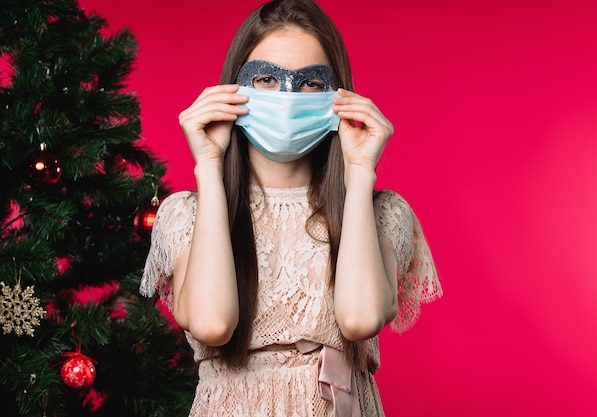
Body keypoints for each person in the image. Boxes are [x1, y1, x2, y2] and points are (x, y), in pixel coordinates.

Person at [140, 0, 442, 415]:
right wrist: (209, 167)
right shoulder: (187, 214)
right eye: (264, 78)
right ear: (234, 87)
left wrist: (359, 172)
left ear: (337, 94)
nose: (287, 97)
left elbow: (360, 318)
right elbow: (212, 324)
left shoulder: (382, 212)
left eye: (311, 84)